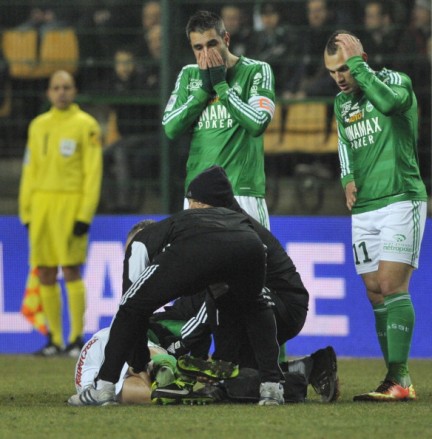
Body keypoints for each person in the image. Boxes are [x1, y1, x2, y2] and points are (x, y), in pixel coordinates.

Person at [151, 165, 339, 403]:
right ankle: (306, 369)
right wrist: (168, 313)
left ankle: (266, 383)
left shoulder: (237, 230)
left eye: (193, 203)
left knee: (234, 292)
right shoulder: (220, 227)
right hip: (261, 303)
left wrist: (179, 346)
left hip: (285, 303)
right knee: (242, 379)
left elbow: (217, 294)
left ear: (210, 204)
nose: (189, 210)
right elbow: (200, 290)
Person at [68, 206, 284, 407]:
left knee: (129, 307)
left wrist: (139, 361)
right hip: (250, 241)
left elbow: (131, 308)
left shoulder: (142, 242)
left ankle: (104, 387)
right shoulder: (182, 232)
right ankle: (272, 386)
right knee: (255, 306)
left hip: (211, 245)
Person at [324, 31, 428, 402]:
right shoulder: (341, 102)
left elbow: (387, 104)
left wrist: (361, 71)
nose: (340, 77)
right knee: (373, 290)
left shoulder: (395, 81)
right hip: (365, 205)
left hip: (402, 196)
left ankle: (398, 379)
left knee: (391, 284)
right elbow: (344, 141)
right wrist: (348, 177)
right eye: (333, 71)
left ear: (362, 59)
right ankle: (396, 378)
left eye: (345, 68)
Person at [162, 10, 276, 229]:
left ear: (226, 39)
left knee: (254, 263)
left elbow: (258, 123)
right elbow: (170, 128)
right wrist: (204, 90)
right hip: (198, 197)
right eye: (198, 48)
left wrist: (222, 87)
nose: (206, 53)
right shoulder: (189, 75)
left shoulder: (257, 70)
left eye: (212, 44)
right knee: (199, 264)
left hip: (242, 191)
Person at [18, 70, 103, 357]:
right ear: (49, 93)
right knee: (44, 270)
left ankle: (76, 337)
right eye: (56, 87)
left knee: (69, 269)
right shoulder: (38, 125)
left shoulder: (87, 125)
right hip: (41, 205)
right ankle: (54, 339)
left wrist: (84, 214)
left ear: (74, 90)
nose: (61, 92)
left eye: (66, 87)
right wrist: (26, 210)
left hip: (70, 204)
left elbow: (93, 173)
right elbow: (29, 170)